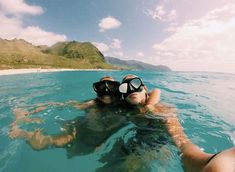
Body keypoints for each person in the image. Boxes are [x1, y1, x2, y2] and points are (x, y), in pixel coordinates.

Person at [8, 75, 161, 154]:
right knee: (38, 144)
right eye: (102, 87)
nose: (106, 91)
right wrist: (28, 112)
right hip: (78, 131)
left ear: (118, 90)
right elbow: (59, 105)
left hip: (97, 139)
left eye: (112, 86)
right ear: (97, 90)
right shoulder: (92, 103)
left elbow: (155, 91)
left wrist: (150, 105)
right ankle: (21, 133)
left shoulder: (122, 103)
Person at [115, 74, 235, 172]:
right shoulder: (124, 110)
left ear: (145, 90)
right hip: (138, 142)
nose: (131, 89)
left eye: (135, 84)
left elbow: (178, 137)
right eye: (125, 87)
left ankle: (203, 162)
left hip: (161, 144)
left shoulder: (159, 107)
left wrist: (202, 162)